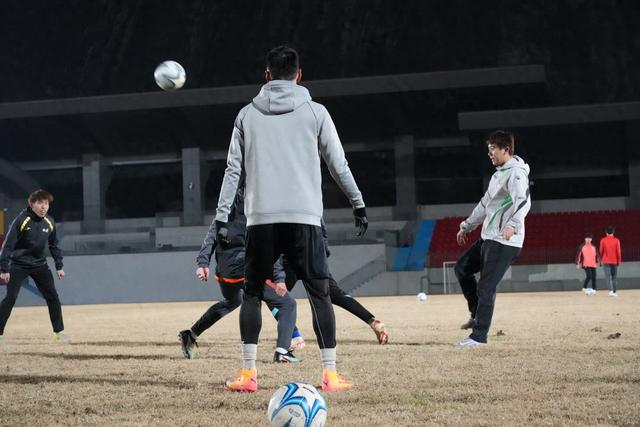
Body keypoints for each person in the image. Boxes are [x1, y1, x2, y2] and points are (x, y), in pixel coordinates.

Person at [215, 46, 367, 392]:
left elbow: (232, 170)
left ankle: (248, 375)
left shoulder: (246, 115)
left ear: (267, 75)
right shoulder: (316, 112)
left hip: (260, 219)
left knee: (252, 294)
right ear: (299, 75)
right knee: (320, 294)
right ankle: (330, 375)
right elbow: (338, 163)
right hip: (305, 219)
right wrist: (357, 203)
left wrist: (222, 216)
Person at [178, 186, 300, 363]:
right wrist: (279, 278)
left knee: (233, 301)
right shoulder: (258, 212)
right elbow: (269, 249)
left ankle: (191, 334)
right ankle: (283, 349)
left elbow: (211, 237)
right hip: (244, 269)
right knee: (287, 303)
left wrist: (203, 263)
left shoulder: (225, 210)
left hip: (225, 275)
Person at [454, 130, 531, 347]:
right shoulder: (498, 175)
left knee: (486, 287)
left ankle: (479, 337)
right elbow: (484, 205)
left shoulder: (516, 173)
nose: (489, 154)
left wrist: (513, 225)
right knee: (461, 269)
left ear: (506, 149)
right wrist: (467, 225)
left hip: (505, 241)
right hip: (489, 237)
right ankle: (476, 314)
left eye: (493, 149)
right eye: (488, 150)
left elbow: (523, 200)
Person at [279, 220, 388, 344]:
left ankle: (295, 336)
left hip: (290, 257)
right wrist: (323, 251)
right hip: (315, 254)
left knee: (275, 297)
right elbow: (322, 228)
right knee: (335, 294)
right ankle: (373, 322)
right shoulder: (313, 208)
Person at [0, 189, 67, 341]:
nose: (44, 207)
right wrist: (4, 268)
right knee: (11, 298)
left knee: (53, 296)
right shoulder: (21, 220)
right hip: (18, 264)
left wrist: (59, 266)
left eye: (46, 204)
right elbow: (7, 245)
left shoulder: (49, 222)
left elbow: (54, 245)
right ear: (32, 204)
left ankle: (59, 332)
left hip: (39, 265)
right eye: (40, 203)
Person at [599, 226, 621, 297]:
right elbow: (618, 252)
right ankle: (614, 291)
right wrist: (619, 261)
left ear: (606, 233)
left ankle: (610, 291)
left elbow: (601, 251)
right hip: (614, 261)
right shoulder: (617, 240)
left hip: (606, 261)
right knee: (614, 277)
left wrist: (600, 260)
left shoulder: (603, 240)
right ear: (613, 232)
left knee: (608, 276)